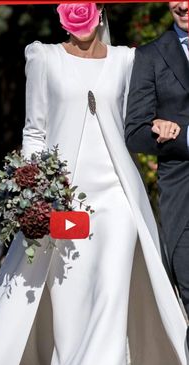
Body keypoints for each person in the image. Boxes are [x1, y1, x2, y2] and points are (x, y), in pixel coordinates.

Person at [0, 3, 189, 365]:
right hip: (61, 201)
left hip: (118, 201)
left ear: (99, 9)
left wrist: (165, 125)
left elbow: (139, 121)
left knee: (107, 307)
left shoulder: (128, 59)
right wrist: (32, 189)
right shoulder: (42, 57)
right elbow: (34, 132)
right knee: (68, 309)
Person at [125, 2, 189, 319]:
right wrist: (162, 130)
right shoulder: (150, 56)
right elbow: (134, 131)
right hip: (183, 200)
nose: (183, 5)